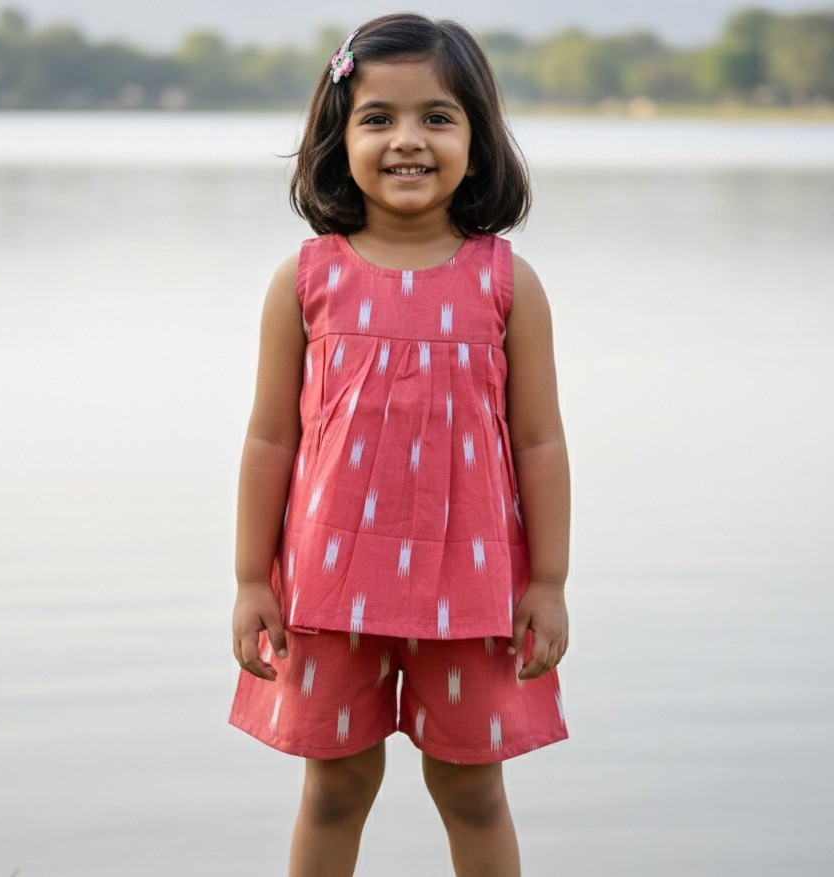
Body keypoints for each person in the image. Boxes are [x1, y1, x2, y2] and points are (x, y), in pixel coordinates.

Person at [230, 13, 570, 876]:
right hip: (328, 585)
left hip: (472, 590)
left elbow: (539, 442)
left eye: (437, 118)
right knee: (336, 787)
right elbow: (271, 437)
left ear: (478, 139)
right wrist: (247, 579)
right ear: (337, 138)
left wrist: (550, 582)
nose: (407, 140)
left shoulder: (506, 284)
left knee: (473, 791)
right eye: (378, 118)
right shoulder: (306, 280)